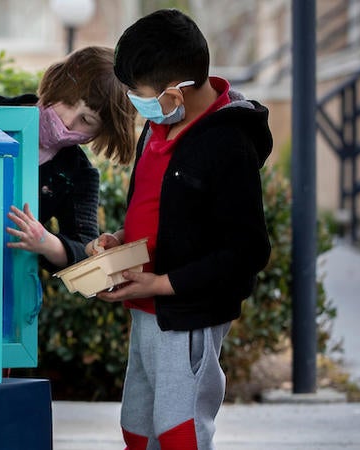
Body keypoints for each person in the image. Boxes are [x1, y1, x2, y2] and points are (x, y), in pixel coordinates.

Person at [87, 9, 273, 450]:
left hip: (187, 317)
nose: (137, 104)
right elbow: (160, 212)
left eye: (141, 95)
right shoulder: (158, 126)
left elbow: (248, 251)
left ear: (176, 92)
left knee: (179, 434)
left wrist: (162, 282)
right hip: (145, 311)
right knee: (137, 428)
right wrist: (118, 241)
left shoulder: (227, 143)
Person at [0, 46, 137, 270]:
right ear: (56, 82)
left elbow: (86, 251)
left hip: (4, 279)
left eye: (87, 121)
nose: (69, 121)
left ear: (102, 133)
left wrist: (45, 242)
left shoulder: (79, 175)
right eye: (69, 102)